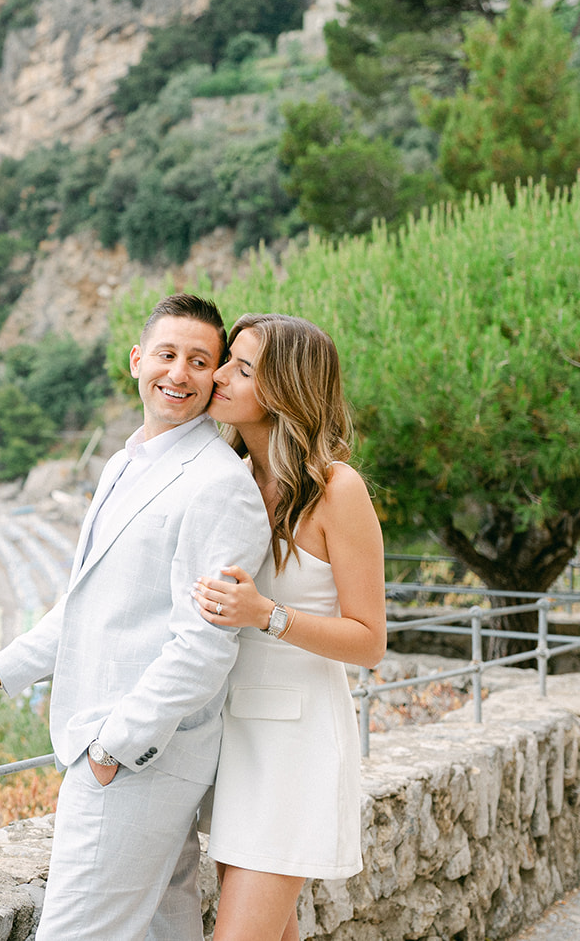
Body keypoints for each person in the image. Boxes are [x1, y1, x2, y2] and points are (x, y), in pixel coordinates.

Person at [0, 293, 271, 941]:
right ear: (136, 359)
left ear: (214, 375)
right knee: (162, 929)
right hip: (121, 754)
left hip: (136, 758)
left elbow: (205, 643)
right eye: (168, 354)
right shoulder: (124, 462)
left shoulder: (219, 484)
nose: (179, 372)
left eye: (200, 360)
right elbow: (89, 604)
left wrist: (114, 746)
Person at [191, 314, 386, 941]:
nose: (218, 376)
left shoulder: (338, 490)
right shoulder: (226, 478)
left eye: (241, 369)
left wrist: (266, 615)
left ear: (285, 390)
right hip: (230, 740)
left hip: (295, 746)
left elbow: (369, 639)